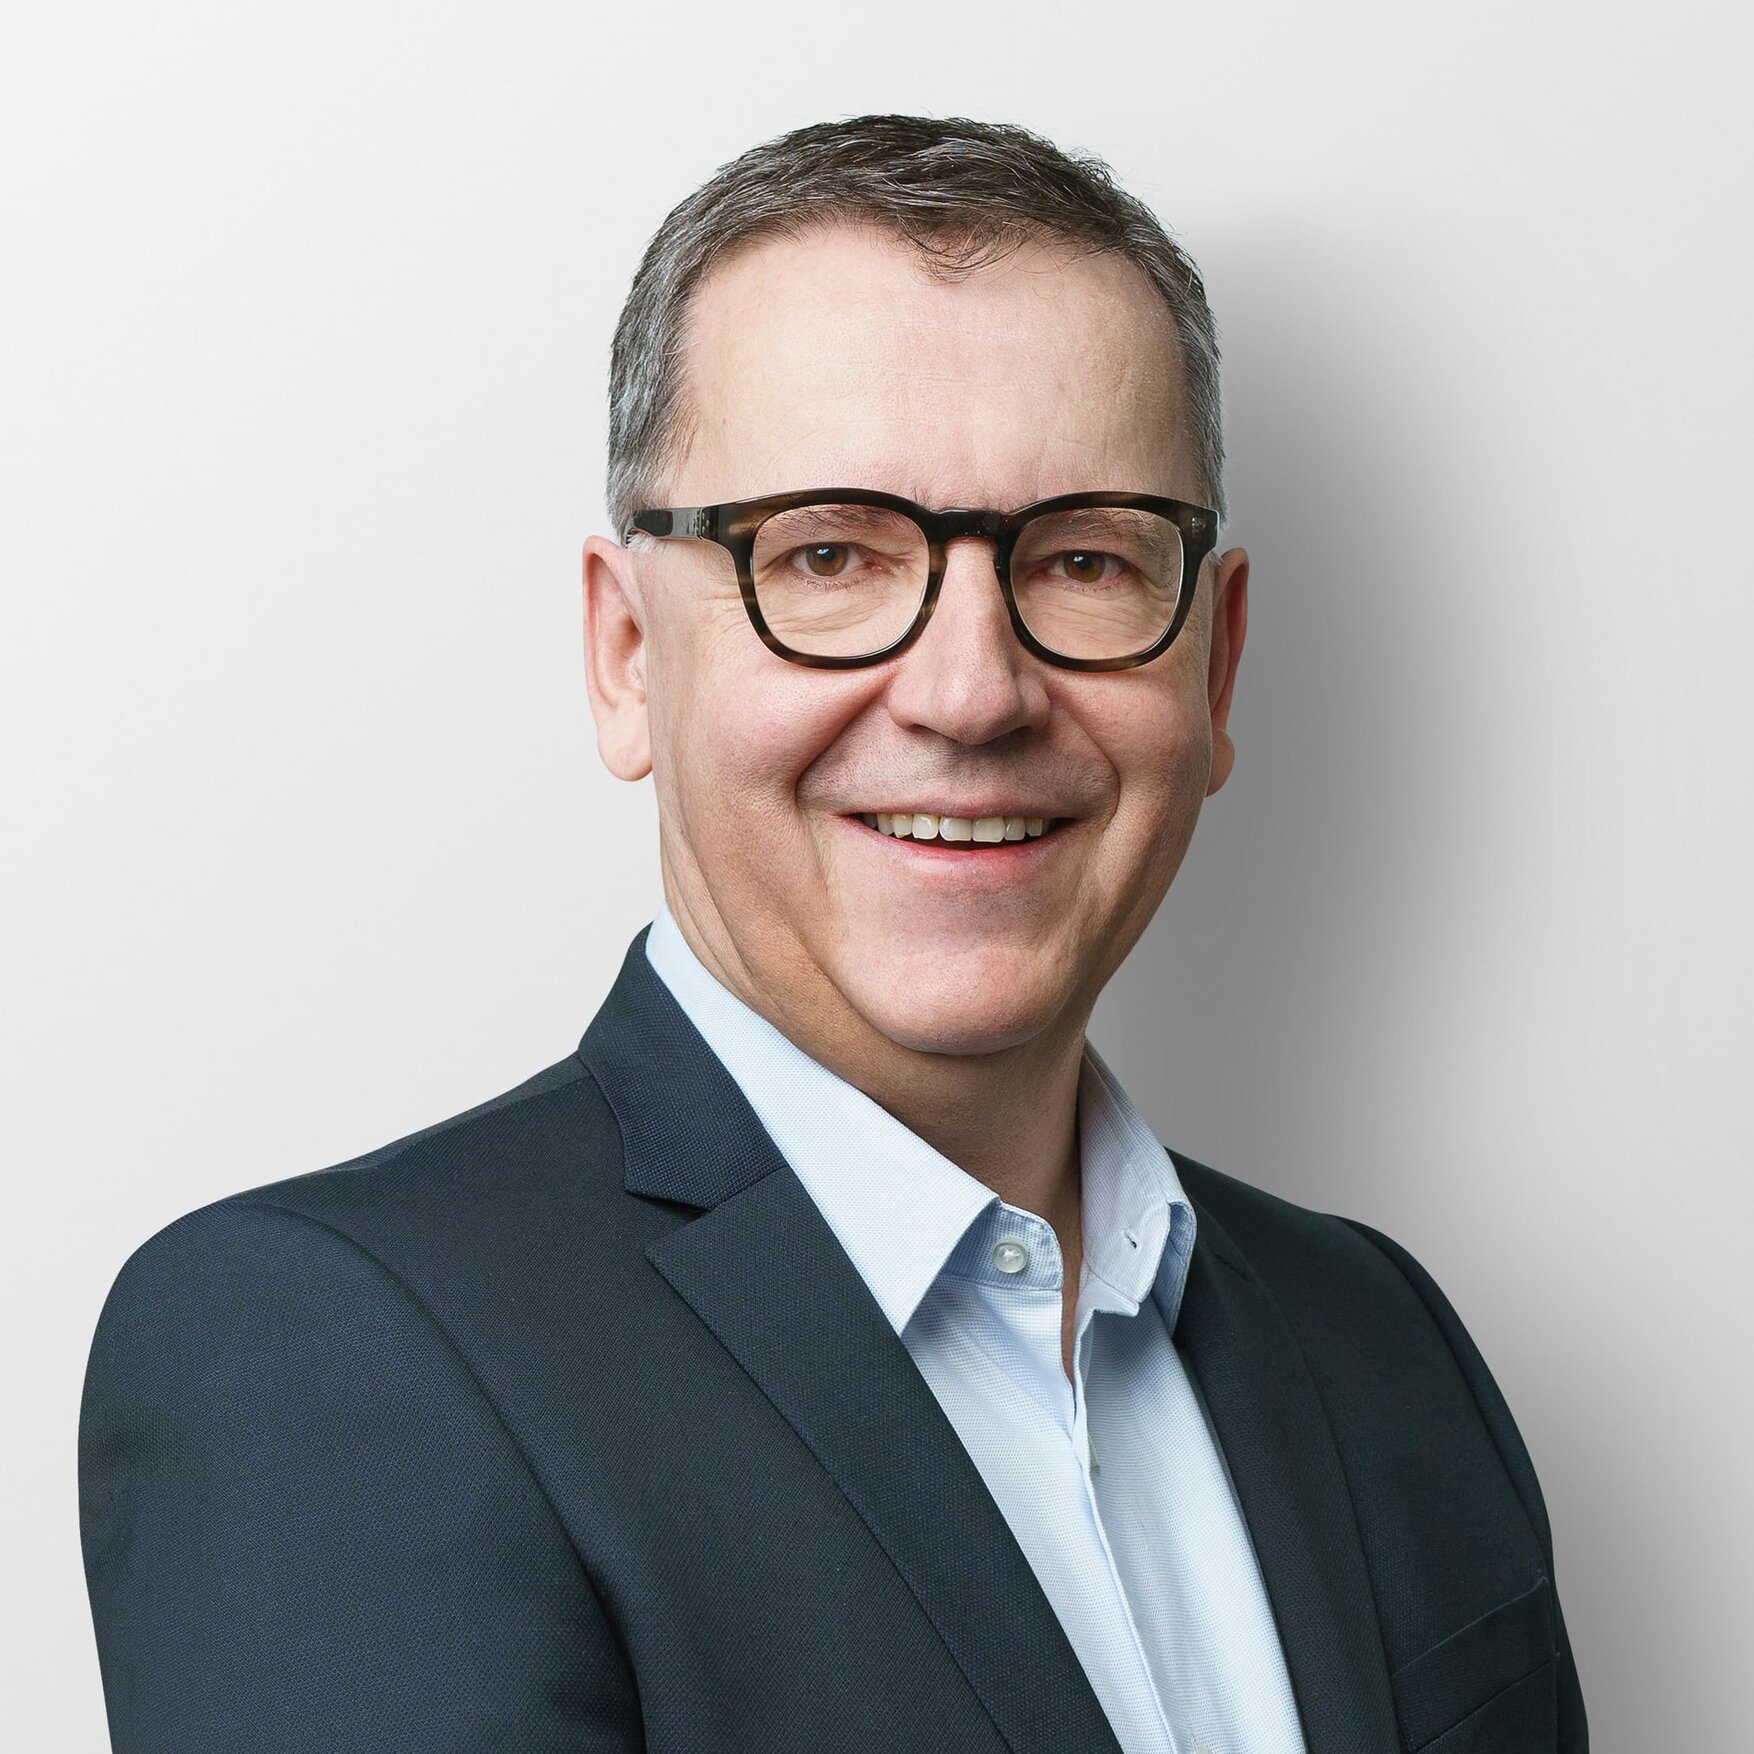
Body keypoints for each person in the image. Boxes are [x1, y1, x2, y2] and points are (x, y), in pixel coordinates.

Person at [78, 114, 1586, 1754]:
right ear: (623, 654)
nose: (970, 691)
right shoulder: (326, 1355)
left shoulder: (1381, 1342)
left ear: (1213, 667)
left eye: (1083, 559)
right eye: (826, 554)